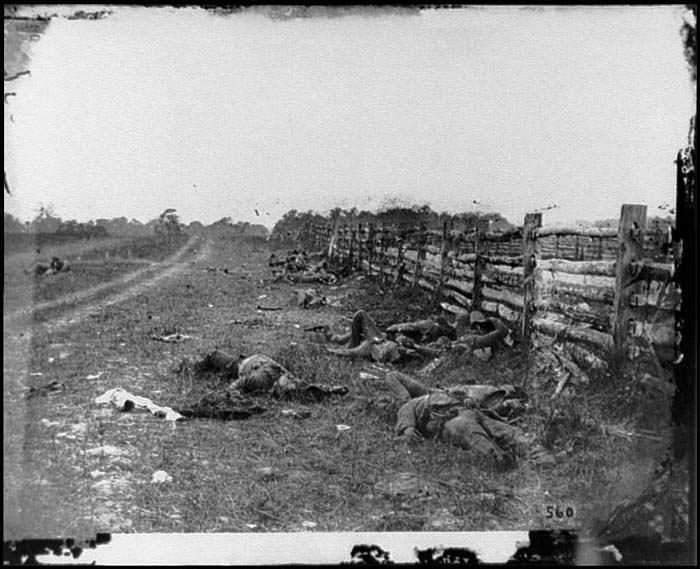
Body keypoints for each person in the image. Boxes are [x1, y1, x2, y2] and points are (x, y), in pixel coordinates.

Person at [385, 371, 549, 468]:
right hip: (450, 420)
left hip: (472, 411)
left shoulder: (437, 392)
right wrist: (407, 430)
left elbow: (393, 375)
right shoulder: (409, 405)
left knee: (505, 430)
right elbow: (406, 425)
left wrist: (468, 400)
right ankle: (509, 463)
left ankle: (540, 455)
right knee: (475, 438)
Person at [196, 349, 348, 401]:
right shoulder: (266, 379)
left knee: (215, 356)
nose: (290, 380)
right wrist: (236, 395)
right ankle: (195, 367)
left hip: (248, 363)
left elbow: (309, 387)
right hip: (244, 363)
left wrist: (332, 390)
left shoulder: (283, 380)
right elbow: (234, 386)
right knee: (213, 356)